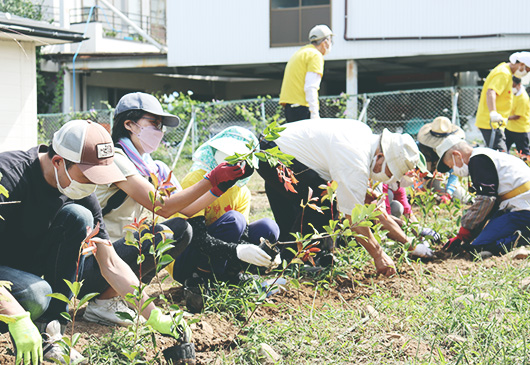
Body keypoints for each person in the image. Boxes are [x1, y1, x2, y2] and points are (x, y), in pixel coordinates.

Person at [0, 120, 193, 363]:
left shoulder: (80, 190)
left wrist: (153, 315)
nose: (94, 184)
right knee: (37, 295)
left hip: (24, 267)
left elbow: (110, 264)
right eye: (88, 175)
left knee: (79, 216)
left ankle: (50, 333)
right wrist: (16, 315)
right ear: (59, 161)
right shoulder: (7, 176)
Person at [83, 93, 261, 325]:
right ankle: (103, 304)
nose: (159, 130)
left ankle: (114, 298)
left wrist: (221, 185)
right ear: (129, 124)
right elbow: (162, 207)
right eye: (154, 123)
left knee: (181, 229)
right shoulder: (116, 159)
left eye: (161, 126)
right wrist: (211, 178)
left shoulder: (154, 167)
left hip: (118, 259)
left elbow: (187, 209)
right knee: (170, 231)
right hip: (92, 263)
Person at [257, 119, 424, 276]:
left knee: (314, 205)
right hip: (274, 152)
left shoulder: (365, 137)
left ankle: (292, 258)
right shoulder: (355, 161)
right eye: (390, 172)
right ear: (380, 157)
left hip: (275, 146)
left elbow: (378, 211)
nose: (389, 179)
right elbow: (355, 221)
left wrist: (409, 244)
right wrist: (378, 255)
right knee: (324, 202)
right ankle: (293, 263)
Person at [166, 126, 281, 283]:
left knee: (268, 228)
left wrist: (270, 251)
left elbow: (243, 236)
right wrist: (237, 251)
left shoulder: (242, 192)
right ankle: (203, 279)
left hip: (220, 256)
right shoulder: (196, 181)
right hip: (185, 260)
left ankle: (228, 276)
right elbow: (196, 237)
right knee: (235, 220)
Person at [437, 135, 530, 255]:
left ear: (457, 155)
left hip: (524, 207)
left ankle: (525, 237)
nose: (454, 171)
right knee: (482, 239)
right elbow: (490, 204)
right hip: (518, 203)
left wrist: (464, 231)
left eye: (451, 166)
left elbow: (486, 200)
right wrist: (470, 234)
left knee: (480, 246)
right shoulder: (485, 155)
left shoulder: (478, 160)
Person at [475, 52, 530, 151]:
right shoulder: (503, 73)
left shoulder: (506, 72)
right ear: (521, 64)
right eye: (527, 69)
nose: (526, 72)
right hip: (492, 123)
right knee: (500, 155)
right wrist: (493, 113)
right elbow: (491, 92)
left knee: (499, 155)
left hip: (496, 124)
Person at [279, 24, 333, 123]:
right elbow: (311, 87)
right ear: (325, 42)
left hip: (290, 108)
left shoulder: (300, 53)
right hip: (302, 108)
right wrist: (314, 114)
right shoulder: (315, 55)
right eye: (330, 40)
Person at [417, 116, 467, 202]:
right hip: (423, 181)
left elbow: (453, 174)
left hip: (442, 180)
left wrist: (448, 192)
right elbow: (414, 174)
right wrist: (420, 189)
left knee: (461, 197)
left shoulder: (452, 150)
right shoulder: (420, 148)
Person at [506, 76, 530, 155]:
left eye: (513, 85)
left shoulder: (523, 98)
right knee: (504, 148)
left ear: (519, 84)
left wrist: (504, 117)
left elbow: (517, 116)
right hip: (510, 128)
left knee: (523, 153)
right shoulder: (514, 94)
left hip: (520, 130)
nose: (511, 87)